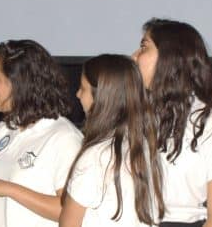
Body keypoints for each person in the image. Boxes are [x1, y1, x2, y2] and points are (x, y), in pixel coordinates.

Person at [0, 39, 83, 227]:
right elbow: (4, 198)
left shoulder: (64, 137)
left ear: (18, 83)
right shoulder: (4, 130)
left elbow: (71, 212)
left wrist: (7, 188)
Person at [131, 18, 212, 227]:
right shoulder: (133, 115)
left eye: (143, 47)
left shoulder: (210, 125)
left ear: (170, 58)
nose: (134, 56)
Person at [60, 54, 164, 227]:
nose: (78, 94)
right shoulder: (145, 146)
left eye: (83, 88)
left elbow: (68, 223)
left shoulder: (95, 156)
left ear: (102, 97)